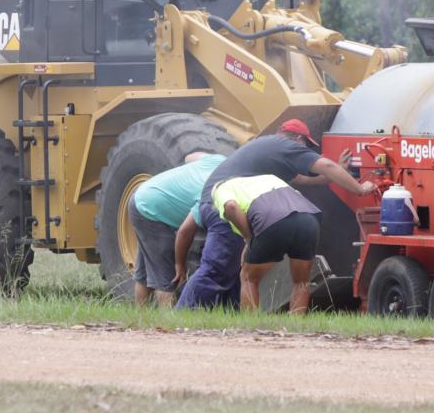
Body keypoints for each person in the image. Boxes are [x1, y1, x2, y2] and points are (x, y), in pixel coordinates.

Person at [176, 119, 375, 309]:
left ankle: (236, 318)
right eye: (306, 146)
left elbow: (303, 179)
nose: (305, 151)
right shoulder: (286, 146)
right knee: (216, 270)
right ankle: (183, 315)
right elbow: (327, 166)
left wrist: (337, 173)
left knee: (238, 270)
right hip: (224, 202)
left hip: (223, 202)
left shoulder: (268, 148)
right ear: (298, 139)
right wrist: (359, 188)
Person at [212, 174, 321, 314]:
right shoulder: (268, 178)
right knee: (301, 281)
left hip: (272, 220)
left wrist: (249, 238)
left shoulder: (222, 188)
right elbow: (296, 195)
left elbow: (231, 206)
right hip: (308, 218)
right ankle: (296, 327)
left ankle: (250, 325)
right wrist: (250, 244)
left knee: (248, 277)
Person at [128, 151, 226, 307]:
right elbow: (184, 232)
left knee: (144, 272)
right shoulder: (210, 195)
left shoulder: (219, 160)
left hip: (143, 195)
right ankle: (168, 324)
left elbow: (189, 157)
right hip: (151, 211)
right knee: (166, 278)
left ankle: (140, 319)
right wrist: (179, 265)